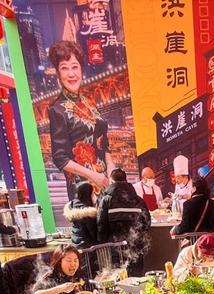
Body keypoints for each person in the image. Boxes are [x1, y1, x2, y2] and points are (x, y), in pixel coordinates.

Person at [47, 40, 111, 198]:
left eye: (75, 67)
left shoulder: (89, 103)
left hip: (105, 183)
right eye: (64, 68)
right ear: (58, 72)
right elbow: (60, 158)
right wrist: (92, 175)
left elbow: (103, 144)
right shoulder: (57, 109)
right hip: (82, 189)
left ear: (81, 69)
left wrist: (111, 168)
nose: (71, 74)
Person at [96, 168, 151, 275]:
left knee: (118, 279)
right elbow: (147, 223)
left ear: (111, 181)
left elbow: (101, 226)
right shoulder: (138, 200)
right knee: (136, 279)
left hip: (115, 248)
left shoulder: (106, 200)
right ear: (126, 180)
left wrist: (103, 244)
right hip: (136, 246)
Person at [64, 180, 99, 248]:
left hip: (76, 244)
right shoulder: (88, 213)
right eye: (92, 193)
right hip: (87, 248)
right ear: (88, 194)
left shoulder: (73, 206)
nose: (94, 195)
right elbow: (94, 234)